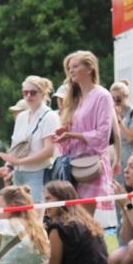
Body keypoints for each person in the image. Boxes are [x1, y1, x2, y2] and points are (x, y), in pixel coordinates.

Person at [53, 51, 118, 226]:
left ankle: (93, 251)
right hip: (72, 166)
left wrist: (72, 135)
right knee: (73, 220)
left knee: (83, 221)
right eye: (69, 68)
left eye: (75, 66)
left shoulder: (102, 96)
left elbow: (103, 135)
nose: (71, 71)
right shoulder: (74, 98)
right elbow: (75, 130)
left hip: (90, 167)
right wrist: (63, 133)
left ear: (90, 68)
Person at [41, 181, 117, 264]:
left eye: (48, 199)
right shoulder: (88, 221)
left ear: (61, 200)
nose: (45, 204)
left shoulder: (58, 227)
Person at [0, 76, 60, 207]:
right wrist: (8, 166)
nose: (28, 96)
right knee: (19, 215)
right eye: (25, 92)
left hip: (38, 172)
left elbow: (49, 151)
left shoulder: (50, 116)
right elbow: (15, 147)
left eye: (33, 92)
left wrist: (19, 161)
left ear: (43, 94)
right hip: (19, 173)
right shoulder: (22, 117)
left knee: (35, 216)